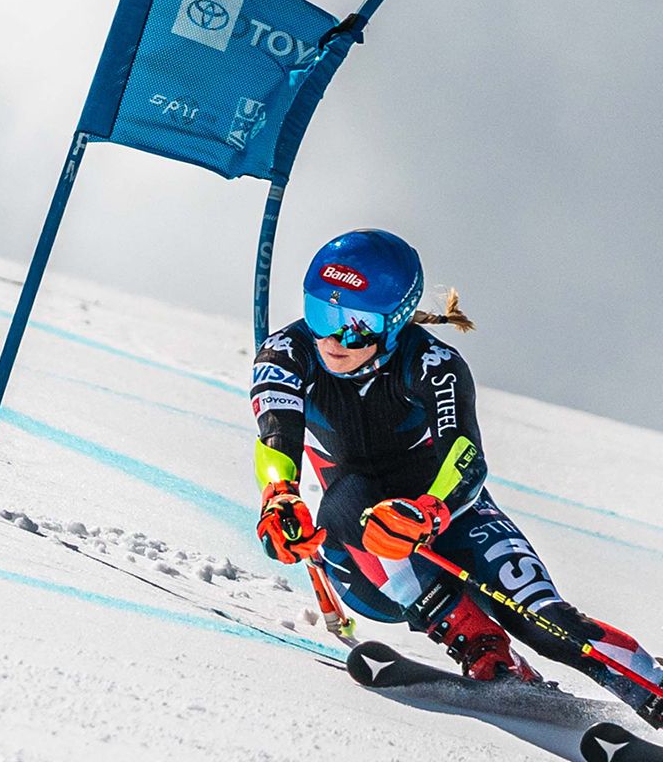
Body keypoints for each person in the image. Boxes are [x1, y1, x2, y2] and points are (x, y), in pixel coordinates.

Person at [250, 228, 662, 728]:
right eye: (321, 315)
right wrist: (280, 497)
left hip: (451, 515)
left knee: (543, 619)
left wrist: (429, 511)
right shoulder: (286, 354)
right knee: (348, 502)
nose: (334, 341)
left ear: (396, 321)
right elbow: (276, 436)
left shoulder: (433, 364)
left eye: (357, 326)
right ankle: (482, 648)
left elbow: (466, 456)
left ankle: (651, 688)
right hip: (363, 562)